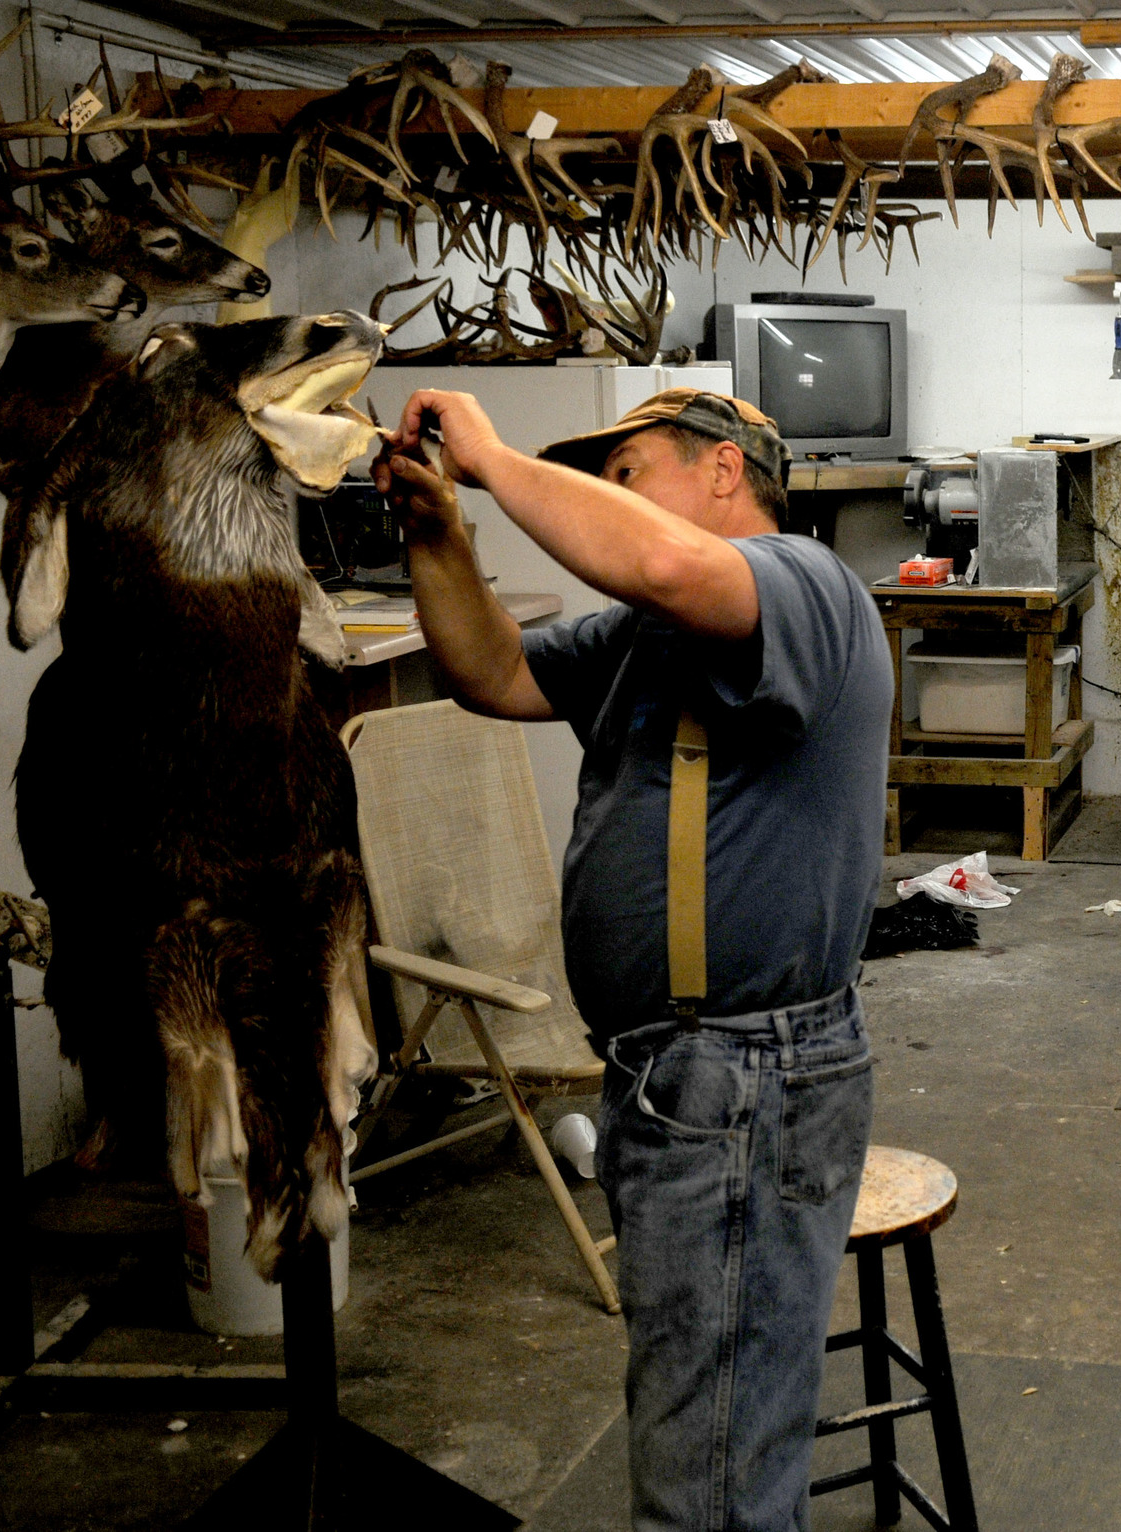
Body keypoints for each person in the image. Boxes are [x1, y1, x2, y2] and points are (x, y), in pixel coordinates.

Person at [372, 387, 888, 1531]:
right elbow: (492, 672)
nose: (610, 497)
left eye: (629, 471)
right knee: (702, 1420)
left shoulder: (800, 582)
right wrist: (437, 531)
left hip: (743, 1072)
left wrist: (495, 457)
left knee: (709, 1460)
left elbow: (664, 567)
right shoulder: (646, 637)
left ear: (722, 472)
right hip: (679, 1076)